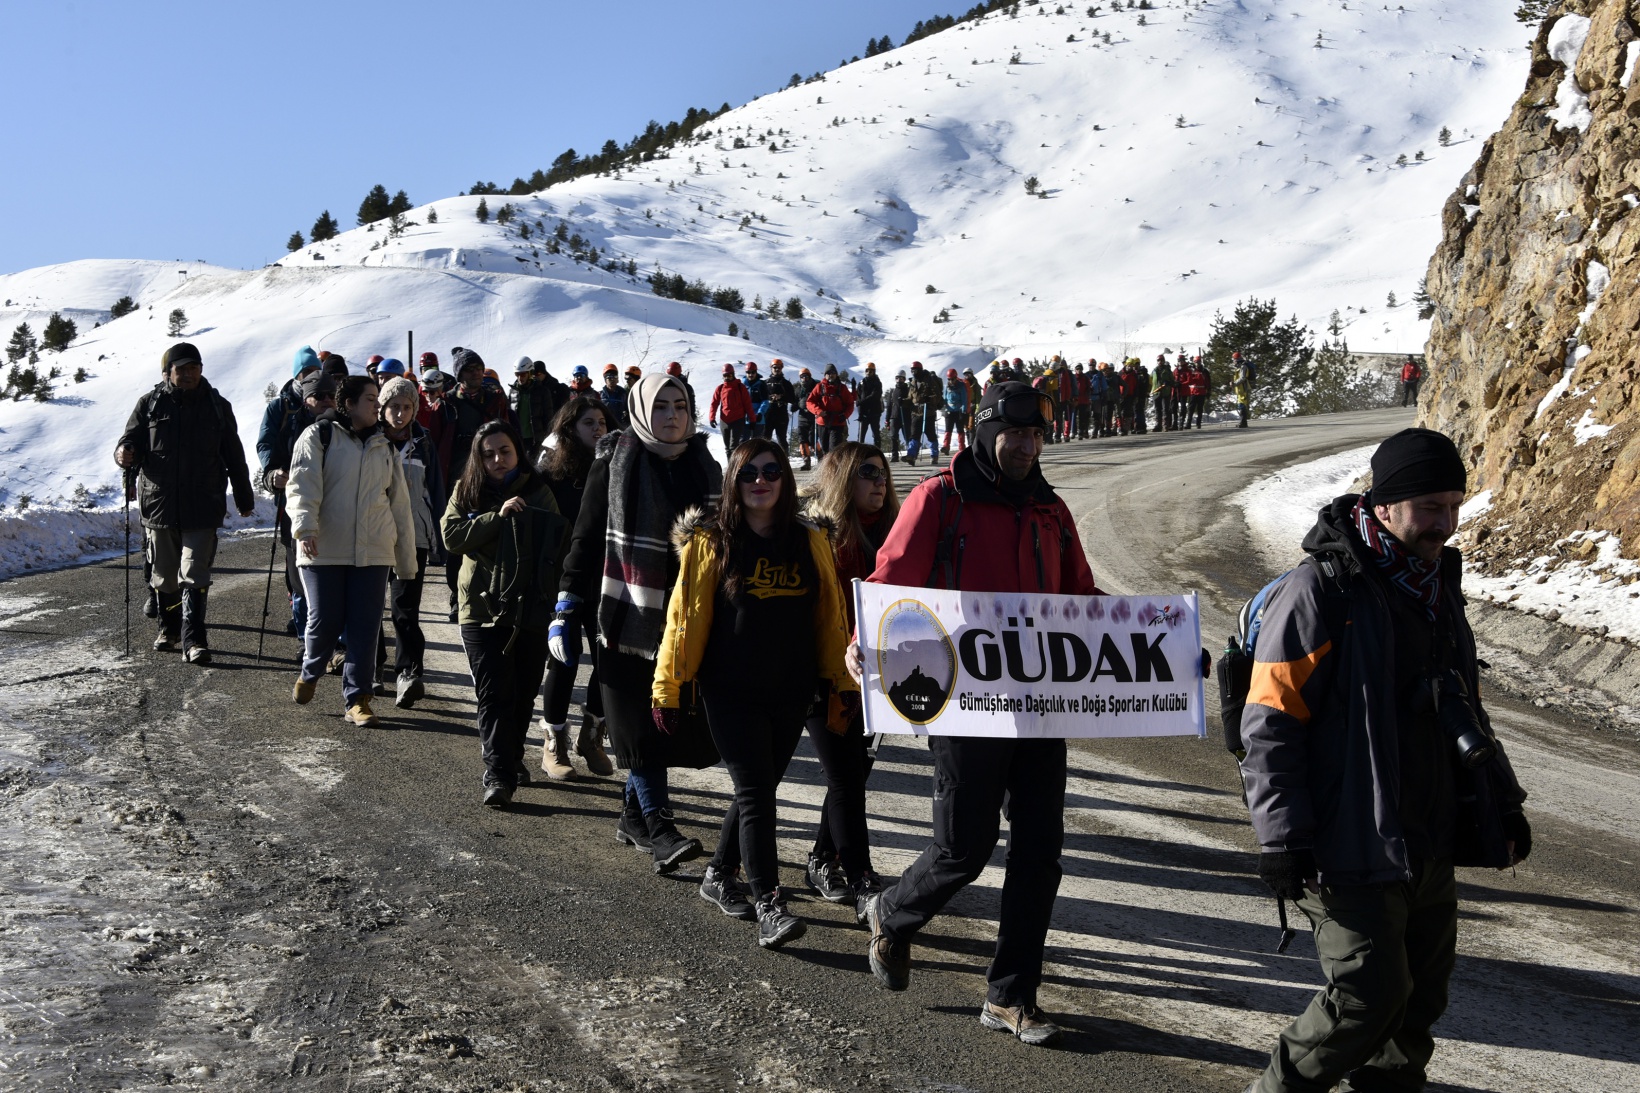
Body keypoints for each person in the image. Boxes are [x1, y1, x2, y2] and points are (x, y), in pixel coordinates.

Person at [1240, 428, 1531, 1093]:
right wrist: (1281, 838)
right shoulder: (1319, 591)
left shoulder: (1435, 585)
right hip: (1346, 840)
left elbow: (1464, 705)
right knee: (1367, 996)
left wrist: (1502, 802)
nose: (1445, 524)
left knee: (1416, 1006)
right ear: (1385, 504)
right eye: (1430, 507)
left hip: (1425, 835)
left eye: (1454, 506)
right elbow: (1271, 723)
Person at [849, 381, 1101, 1047]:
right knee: (964, 846)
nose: (1026, 446)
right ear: (986, 432)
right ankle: (893, 913)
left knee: (1040, 851)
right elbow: (889, 583)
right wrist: (861, 641)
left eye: (1036, 435)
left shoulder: (1051, 510)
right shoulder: (941, 499)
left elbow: (1083, 598)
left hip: (1040, 704)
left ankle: (1011, 995)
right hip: (964, 701)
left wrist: (1163, 647)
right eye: (1014, 433)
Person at [655, 439, 856, 947]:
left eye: (771, 471)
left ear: (786, 479)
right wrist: (668, 689)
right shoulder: (711, 541)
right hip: (730, 691)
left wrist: (841, 682)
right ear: (733, 482)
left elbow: (830, 617)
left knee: (758, 790)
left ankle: (719, 873)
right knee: (756, 793)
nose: (760, 481)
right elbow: (683, 620)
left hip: (792, 691)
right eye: (748, 473)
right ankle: (770, 901)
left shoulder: (809, 538)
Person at [554, 373, 723, 872]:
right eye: (662, 406)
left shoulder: (706, 466)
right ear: (642, 411)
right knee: (637, 722)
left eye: (680, 405)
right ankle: (660, 827)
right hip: (625, 611)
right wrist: (566, 605)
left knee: (666, 716)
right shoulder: (614, 461)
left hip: (686, 613)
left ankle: (632, 817)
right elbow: (586, 536)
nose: (672, 415)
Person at [442, 421, 568, 807]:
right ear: (478, 458)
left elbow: (557, 542)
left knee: (523, 691)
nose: (498, 459)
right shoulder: (467, 490)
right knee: (494, 692)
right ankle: (498, 774)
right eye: (489, 454)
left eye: (505, 451)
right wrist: (497, 517)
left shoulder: (538, 491)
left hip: (529, 607)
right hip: (480, 609)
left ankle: (511, 758)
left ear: (518, 452)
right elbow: (451, 537)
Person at [799, 441, 897, 917]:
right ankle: (861, 876)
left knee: (854, 775)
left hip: (876, 676)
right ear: (843, 479)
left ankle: (823, 857)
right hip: (823, 674)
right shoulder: (817, 534)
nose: (880, 482)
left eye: (883, 473)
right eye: (867, 473)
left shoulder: (898, 533)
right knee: (844, 777)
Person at [287, 374, 417, 726]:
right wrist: (305, 528)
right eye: (371, 399)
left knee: (365, 626)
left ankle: (358, 700)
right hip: (323, 547)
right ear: (349, 404)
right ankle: (311, 670)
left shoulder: (384, 447)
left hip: (373, 551)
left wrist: (406, 561)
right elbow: (302, 485)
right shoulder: (319, 436)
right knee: (325, 621)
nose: (378, 405)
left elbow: (399, 506)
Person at [114, 342, 256, 663]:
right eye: (183, 369)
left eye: (195, 367)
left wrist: (244, 497)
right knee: (164, 574)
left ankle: (194, 639)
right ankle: (169, 629)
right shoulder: (149, 404)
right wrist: (123, 453)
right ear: (168, 372)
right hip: (160, 505)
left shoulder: (217, 406)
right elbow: (130, 441)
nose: (190, 374)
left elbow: (234, 455)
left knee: (194, 572)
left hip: (203, 505)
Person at [536, 396, 618, 780]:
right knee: (564, 659)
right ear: (570, 429)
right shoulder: (552, 473)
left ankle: (592, 735)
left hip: (608, 581)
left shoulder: (619, 468)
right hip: (565, 581)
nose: (597, 428)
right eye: (588, 422)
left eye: (602, 421)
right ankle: (553, 743)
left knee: (608, 663)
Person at [378, 376, 445, 707]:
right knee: (370, 606)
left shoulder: (424, 441)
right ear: (382, 408)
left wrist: (441, 537)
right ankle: (373, 666)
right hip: (374, 534)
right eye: (394, 407)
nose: (400, 414)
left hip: (413, 536)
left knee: (405, 609)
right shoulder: (371, 441)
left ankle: (408, 673)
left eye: (406, 407)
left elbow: (435, 490)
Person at [442, 350, 515, 617]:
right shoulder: (448, 402)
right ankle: (456, 594)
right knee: (459, 537)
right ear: (459, 374)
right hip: (458, 480)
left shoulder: (496, 400)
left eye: (479, 368)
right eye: (469, 369)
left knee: (489, 534)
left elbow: (509, 433)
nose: (475, 373)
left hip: (491, 477)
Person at [256, 345, 322, 634]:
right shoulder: (280, 407)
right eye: (306, 372)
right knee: (294, 556)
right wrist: (272, 474)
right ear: (296, 375)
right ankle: (302, 619)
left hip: (324, 492)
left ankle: (314, 621)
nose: (311, 377)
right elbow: (265, 444)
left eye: (315, 371)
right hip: (290, 495)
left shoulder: (325, 402)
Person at [511, 356, 554, 463]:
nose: (520, 378)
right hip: (517, 439)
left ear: (530, 373)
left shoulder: (542, 391)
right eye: (517, 374)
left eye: (523, 374)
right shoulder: (513, 392)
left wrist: (546, 439)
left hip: (536, 440)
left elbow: (548, 417)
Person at [806, 364, 855, 456]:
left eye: (833, 373)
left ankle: (834, 464)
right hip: (822, 422)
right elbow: (810, 402)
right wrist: (818, 411)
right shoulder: (819, 387)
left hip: (838, 422)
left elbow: (850, 404)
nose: (830, 375)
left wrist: (845, 415)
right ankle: (828, 464)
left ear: (836, 374)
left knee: (834, 449)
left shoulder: (842, 388)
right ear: (825, 375)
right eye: (828, 373)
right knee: (825, 449)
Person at [709, 364, 754, 462]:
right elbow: (714, 403)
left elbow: (747, 404)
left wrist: (752, 419)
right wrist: (712, 418)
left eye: (729, 375)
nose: (727, 378)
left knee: (734, 446)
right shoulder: (720, 388)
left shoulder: (740, 387)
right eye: (725, 375)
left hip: (738, 420)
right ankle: (731, 466)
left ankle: (734, 466)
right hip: (724, 421)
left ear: (733, 374)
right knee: (727, 448)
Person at [904, 361, 941, 466]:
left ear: (919, 370)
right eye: (912, 370)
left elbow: (937, 396)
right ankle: (911, 456)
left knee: (931, 435)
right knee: (914, 435)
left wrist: (929, 399)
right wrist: (903, 401)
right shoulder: (913, 382)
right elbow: (910, 398)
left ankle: (934, 456)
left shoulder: (929, 381)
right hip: (916, 413)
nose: (913, 372)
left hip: (928, 412)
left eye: (915, 370)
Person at [764, 359, 796, 456]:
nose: (777, 369)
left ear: (782, 368)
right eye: (775, 367)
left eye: (779, 367)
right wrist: (770, 397)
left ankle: (784, 460)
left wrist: (781, 397)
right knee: (765, 439)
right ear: (771, 368)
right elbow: (760, 397)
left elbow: (793, 399)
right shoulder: (765, 383)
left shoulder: (786, 383)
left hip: (781, 415)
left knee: (782, 439)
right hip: (768, 415)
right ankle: (765, 459)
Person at [793, 366, 819, 470]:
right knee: (802, 439)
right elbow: (795, 400)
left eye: (806, 376)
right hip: (802, 416)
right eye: (802, 377)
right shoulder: (798, 389)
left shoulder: (815, 386)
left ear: (809, 376)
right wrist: (794, 406)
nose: (804, 378)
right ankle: (806, 461)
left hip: (813, 416)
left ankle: (821, 457)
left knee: (812, 439)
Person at [941, 367, 969, 454]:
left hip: (958, 411)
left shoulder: (961, 386)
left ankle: (962, 448)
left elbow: (964, 399)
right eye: (949, 379)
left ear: (956, 377)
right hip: (949, 411)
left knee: (960, 430)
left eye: (952, 379)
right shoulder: (947, 387)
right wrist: (943, 407)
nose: (951, 381)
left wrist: (963, 410)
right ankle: (946, 446)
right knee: (948, 430)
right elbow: (945, 398)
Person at [883, 371, 909, 463]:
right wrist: (887, 420)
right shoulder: (892, 391)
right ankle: (895, 456)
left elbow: (911, 403)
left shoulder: (908, 390)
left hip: (905, 417)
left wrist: (905, 402)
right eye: (897, 378)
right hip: (894, 417)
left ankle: (910, 455)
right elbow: (889, 406)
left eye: (901, 378)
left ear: (904, 379)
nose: (899, 380)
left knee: (907, 437)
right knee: (893, 437)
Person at [855, 362, 883, 446]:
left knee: (876, 435)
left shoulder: (877, 383)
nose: (868, 373)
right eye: (867, 371)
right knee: (861, 436)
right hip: (864, 413)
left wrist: (862, 401)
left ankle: (877, 451)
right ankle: (860, 452)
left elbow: (874, 396)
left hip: (875, 413)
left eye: (871, 371)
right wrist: (860, 413)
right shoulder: (861, 382)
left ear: (874, 371)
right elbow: (858, 397)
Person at [743, 362, 769, 440]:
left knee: (757, 442)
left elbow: (765, 401)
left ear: (756, 372)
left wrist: (760, 413)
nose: (751, 374)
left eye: (753, 372)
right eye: (748, 372)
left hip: (758, 419)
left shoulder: (761, 385)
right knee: (743, 442)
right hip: (745, 419)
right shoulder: (742, 385)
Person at [599, 364, 629, 429]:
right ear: (605, 380)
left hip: (621, 428)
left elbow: (629, 411)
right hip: (605, 428)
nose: (612, 379)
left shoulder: (623, 394)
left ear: (617, 379)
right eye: (609, 377)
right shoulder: (600, 395)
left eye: (615, 376)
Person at [1151, 354, 1175, 433]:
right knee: (1157, 409)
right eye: (1159, 360)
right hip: (1156, 392)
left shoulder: (1167, 370)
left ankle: (1165, 425)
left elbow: (1173, 381)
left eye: (1161, 360)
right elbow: (1151, 381)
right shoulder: (1154, 371)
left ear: (1164, 361)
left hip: (1165, 392)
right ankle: (1158, 425)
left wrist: (1168, 383)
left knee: (1165, 409)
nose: (1160, 362)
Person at [1233, 352, 1253, 429]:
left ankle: (1243, 422)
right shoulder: (1239, 367)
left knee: (1242, 405)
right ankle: (1243, 422)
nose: (1233, 361)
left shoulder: (1243, 367)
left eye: (1234, 359)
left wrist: (1234, 383)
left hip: (1244, 388)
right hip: (1240, 389)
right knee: (1241, 405)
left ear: (1237, 359)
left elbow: (1242, 378)